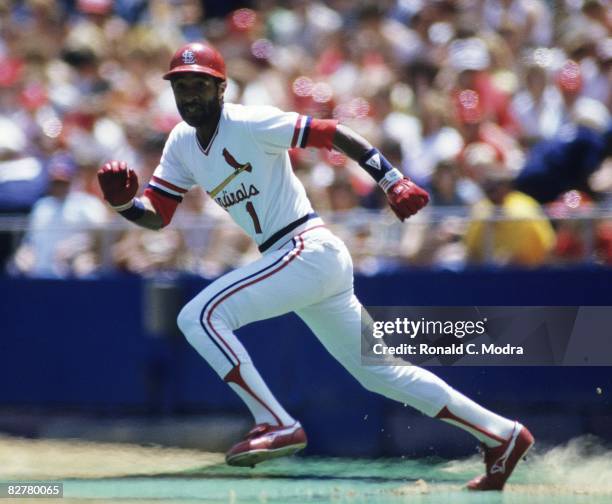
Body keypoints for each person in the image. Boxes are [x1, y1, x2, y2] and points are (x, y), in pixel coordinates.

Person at [97, 42, 533, 491]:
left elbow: (331, 131)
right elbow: (159, 215)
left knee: (199, 316)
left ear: (221, 87)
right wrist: (124, 205)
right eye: (181, 86)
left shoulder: (248, 121)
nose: (189, 95)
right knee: (379, 372)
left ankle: (275, 421)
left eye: (199, 84)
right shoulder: (182, 143)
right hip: (297, 259)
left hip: (306, 246)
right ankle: (501, 434)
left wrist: (391, 177)